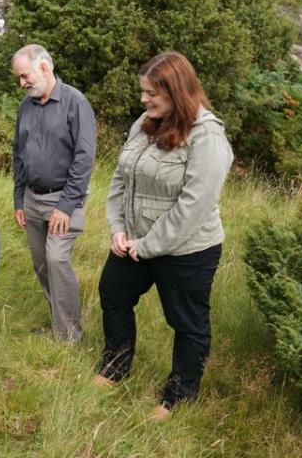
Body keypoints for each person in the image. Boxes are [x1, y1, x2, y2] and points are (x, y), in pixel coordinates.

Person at [95, 51, 233, 421]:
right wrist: (118, 228)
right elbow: (121, 179)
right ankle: (116, 367)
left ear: (176, 91)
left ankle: (179, 394)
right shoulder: (144, 123)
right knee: (113, 294)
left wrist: (149, 245)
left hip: (187, 250)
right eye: (142, 92)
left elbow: (194, 205)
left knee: (187, 323)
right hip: (134, 240)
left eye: (150, 93)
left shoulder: (207, 136)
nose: (143, 100)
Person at [11, 44, 96, 343]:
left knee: (57, 260)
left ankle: (70, 336)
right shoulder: (26, 106)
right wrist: (18, 198)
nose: (22, 83)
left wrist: (66, 205)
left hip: (63, 201)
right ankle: (58, 323)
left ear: (44, 68)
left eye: (24, 76)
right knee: (42, 264)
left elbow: (84, 158)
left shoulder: (75, 102)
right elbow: (18, 154)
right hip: (32, 200)